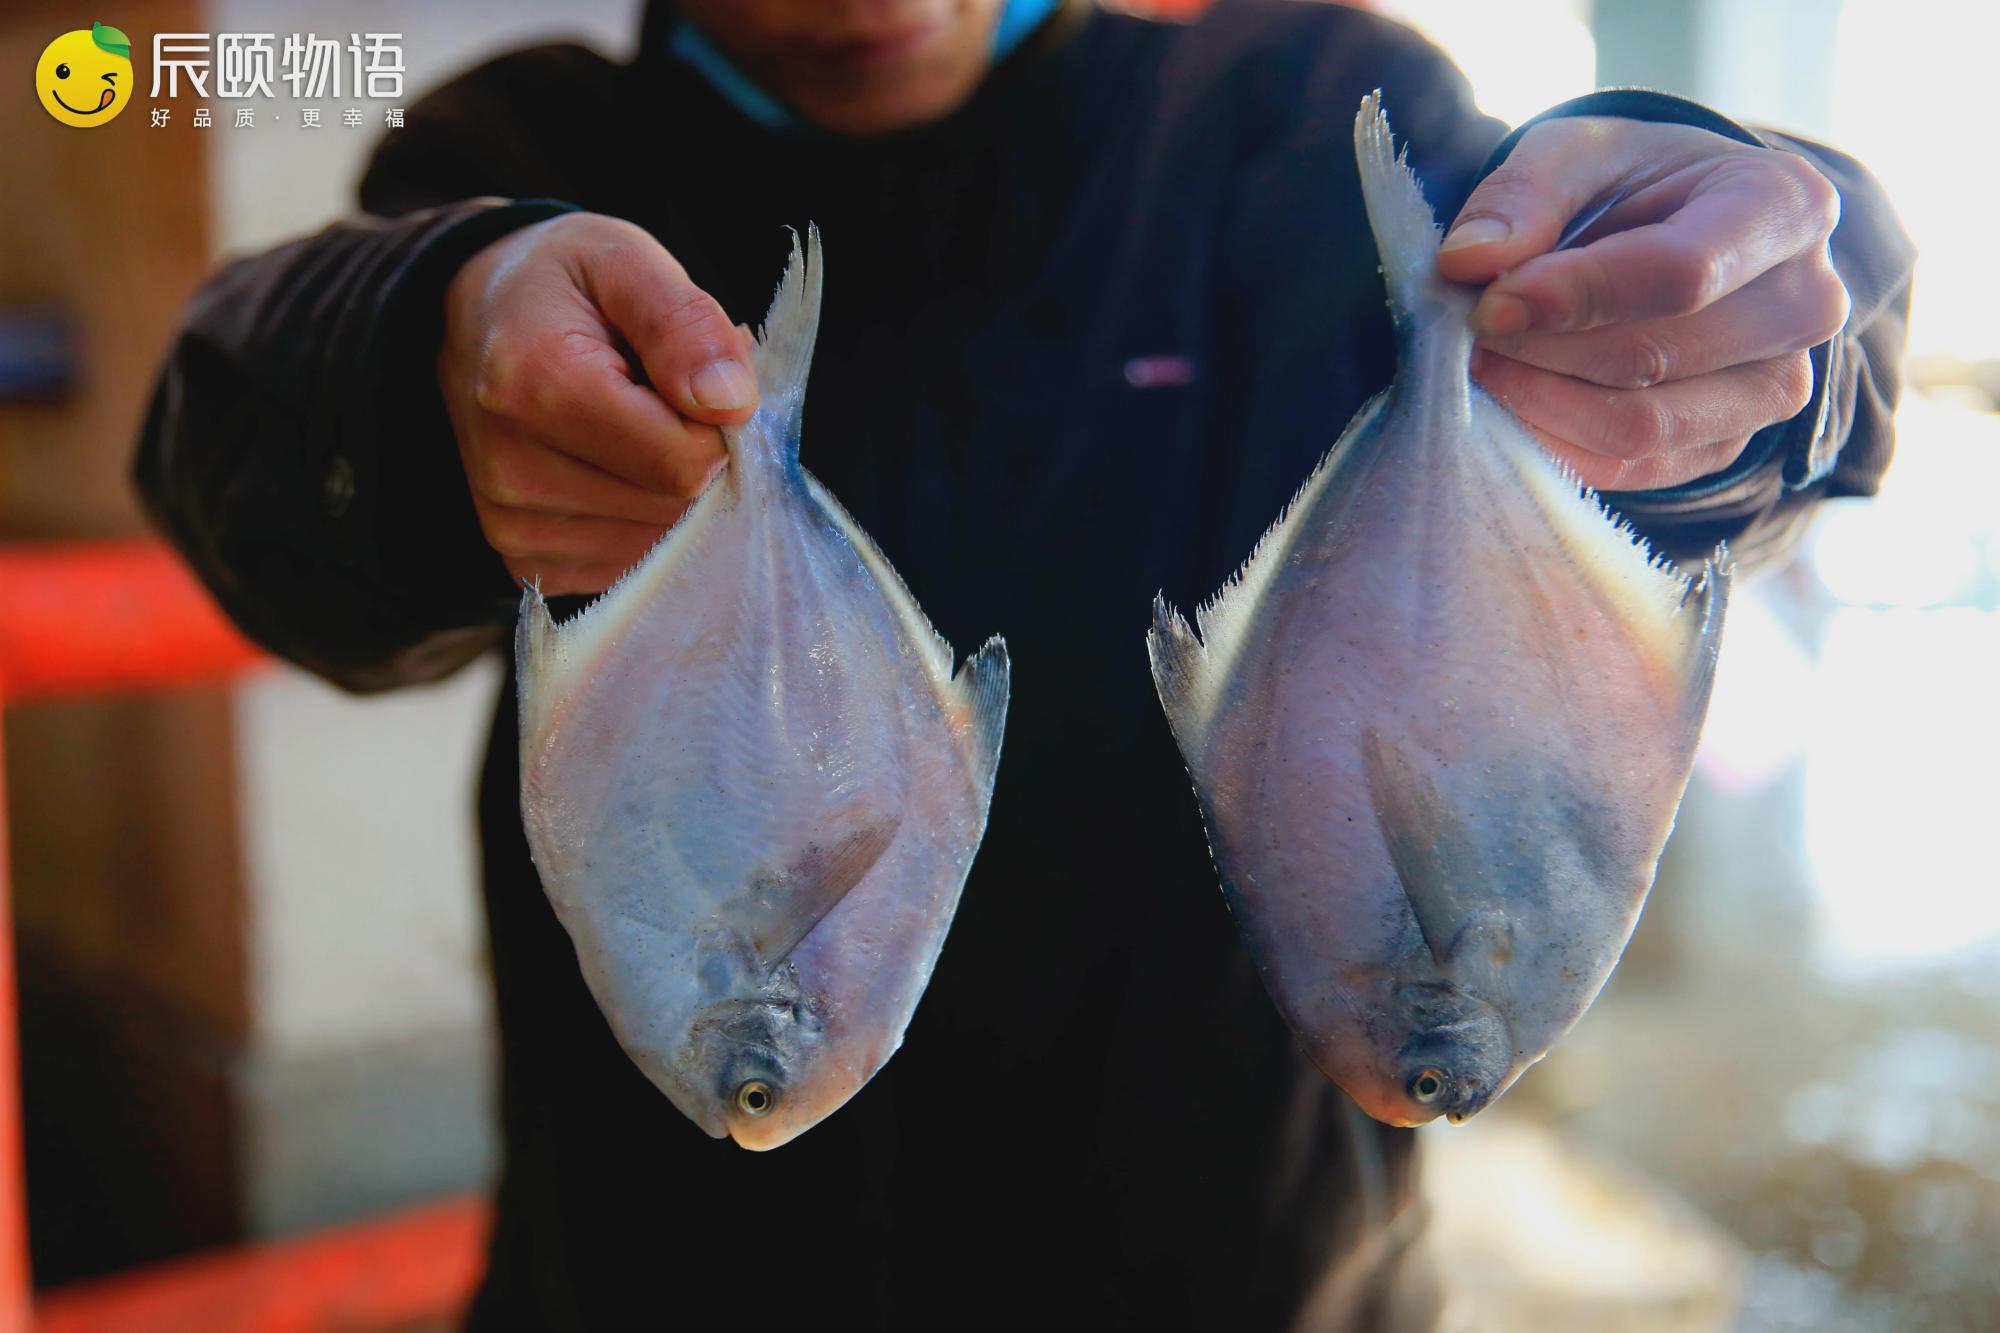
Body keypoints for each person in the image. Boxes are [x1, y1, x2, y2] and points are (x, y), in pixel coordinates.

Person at [134, 1, 1913, 1327]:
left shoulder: (1293, 123)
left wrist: (1735, 335)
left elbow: (1739, 348)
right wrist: (413, 352)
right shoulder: (520, 147)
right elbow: (221, 441)